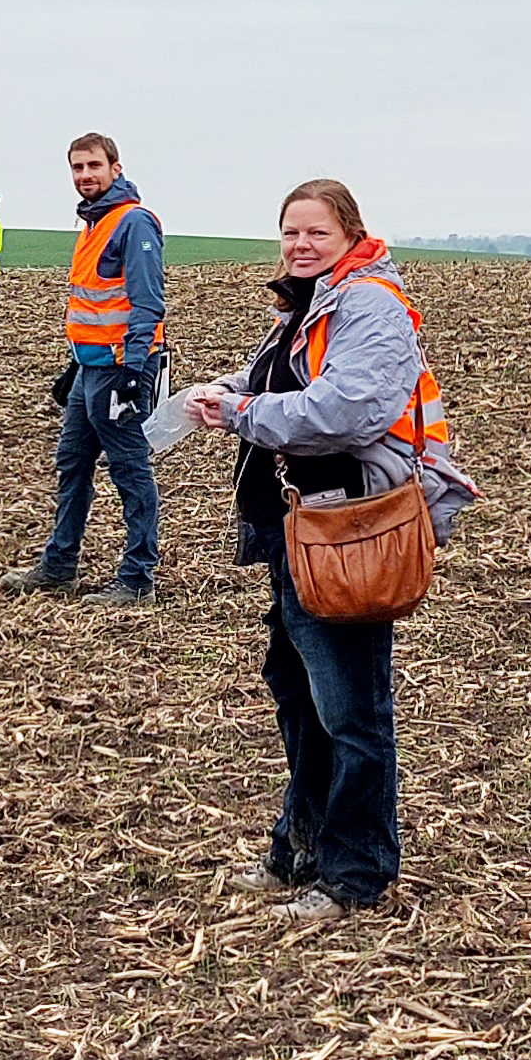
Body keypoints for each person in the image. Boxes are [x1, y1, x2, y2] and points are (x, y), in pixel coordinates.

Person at [181, 180, 477, 918]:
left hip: (350, 528)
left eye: (315, 232)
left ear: (351, 234)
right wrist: (219, 390)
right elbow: (272, 380)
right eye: (290, 232)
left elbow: (347, 410)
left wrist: (243, 413)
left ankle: (356, 874)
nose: (299, 245)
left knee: (350, 709)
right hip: (299, 529)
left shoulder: (368, 304)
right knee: (300, 694)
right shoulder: (309, 302)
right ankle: (301, 846)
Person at [0, 133, 167, 604]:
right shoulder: (93, 224)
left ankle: (137, 579)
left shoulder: (133, 224)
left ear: (116, 168)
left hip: (120, 369)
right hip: (89, 369)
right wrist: (74, 367)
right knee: (71, 463)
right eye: (77, 168)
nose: (85, 175)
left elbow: (147, 304)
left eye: (94, 165)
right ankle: (59, 565)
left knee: (129, 469)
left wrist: (135, 372)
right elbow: (92, 305)